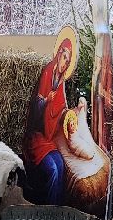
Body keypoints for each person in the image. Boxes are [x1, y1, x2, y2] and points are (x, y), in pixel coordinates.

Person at [23, 32, 77, 206]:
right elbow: (36, 111)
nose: (65, 64)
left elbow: (60, 110)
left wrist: (70, 113)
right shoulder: (47, 72)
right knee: (53, 169)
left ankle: (57, 209)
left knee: (61, 166)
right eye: (64, 58)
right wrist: (47, 101)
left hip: (49, 138)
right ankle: (48, 209)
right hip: (37, 138)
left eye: (68, 62)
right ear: (59, 54)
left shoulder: (60, 82)